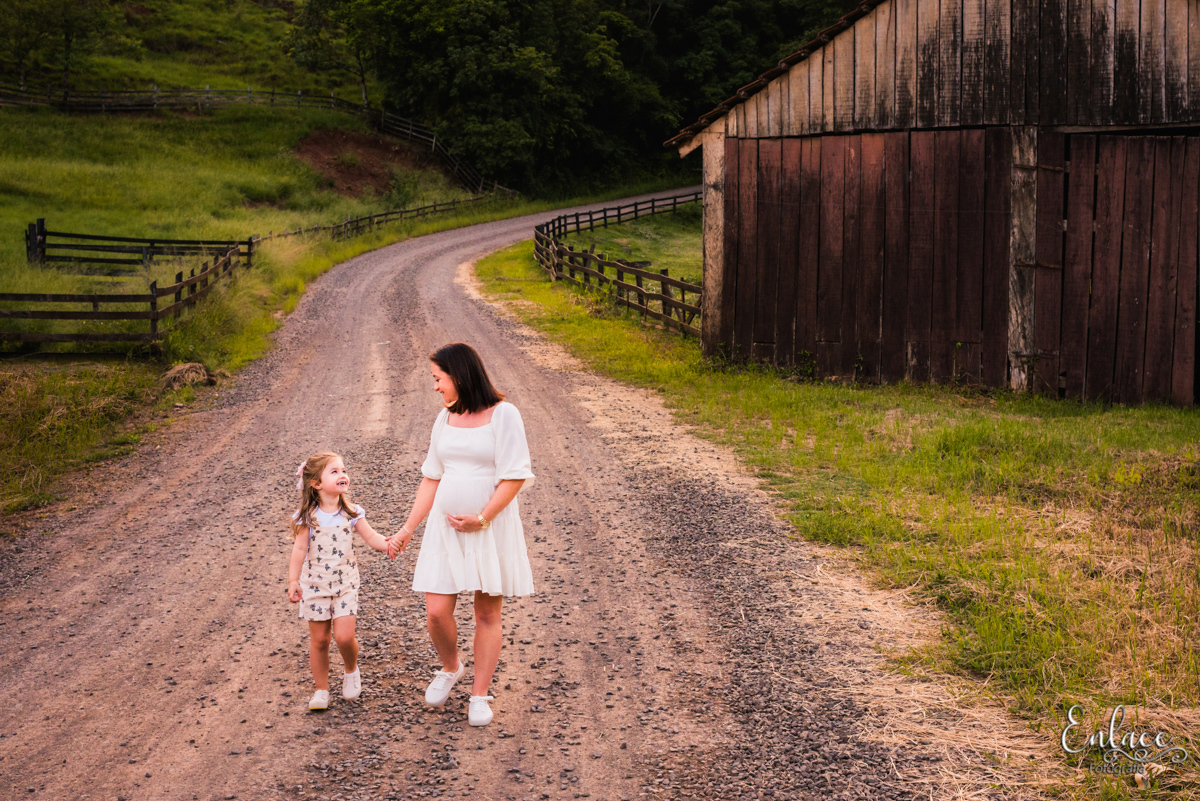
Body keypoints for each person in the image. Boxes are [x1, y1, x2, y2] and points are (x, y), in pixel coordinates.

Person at [387, 342, 535, 727]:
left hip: (490, 526)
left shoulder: (504, 415)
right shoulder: (444, 418)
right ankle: (451, 667)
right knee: (436, 613)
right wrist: (407, 529)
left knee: (487, 613)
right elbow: (431, 477)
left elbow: (515, 475)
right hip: (445, 528)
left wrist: (482, 518)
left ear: (459, 375)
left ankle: (480, 695)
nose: (435, 387)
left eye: (438, 378)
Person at [288, 452, 390, 710]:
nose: (342, 474)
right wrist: (293, 580)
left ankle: (351, 669)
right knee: (320, 640)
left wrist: (389, 544)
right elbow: (299, 550)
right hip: (314, 585)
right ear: (316, 484)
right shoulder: (306, 517)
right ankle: (321, 689)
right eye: (334, 471)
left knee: (344, 637)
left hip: (345, 584)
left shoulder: (351, 512)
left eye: (343, 470)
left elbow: (371, 536)